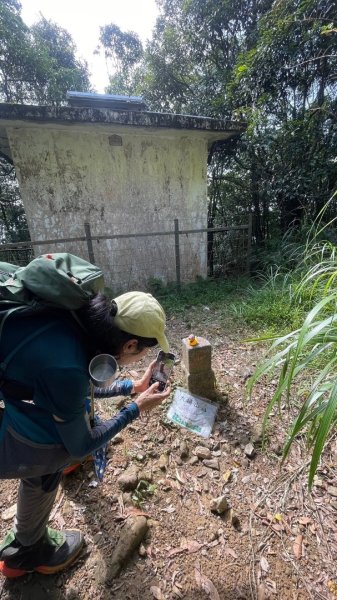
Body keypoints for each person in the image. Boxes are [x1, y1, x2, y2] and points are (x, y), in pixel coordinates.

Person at [0, 291, 171, 578]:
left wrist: (134, 387)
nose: (142, 357)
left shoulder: (78, 320)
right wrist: (135, 409)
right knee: (61, 452)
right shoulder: (68, 365)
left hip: (16, 398)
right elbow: (82, 445)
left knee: (58, 448)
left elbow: (75, 390)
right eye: (143, 351)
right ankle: (27, 554)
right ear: (130, 344)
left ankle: (28, 530)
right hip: (11, 426)